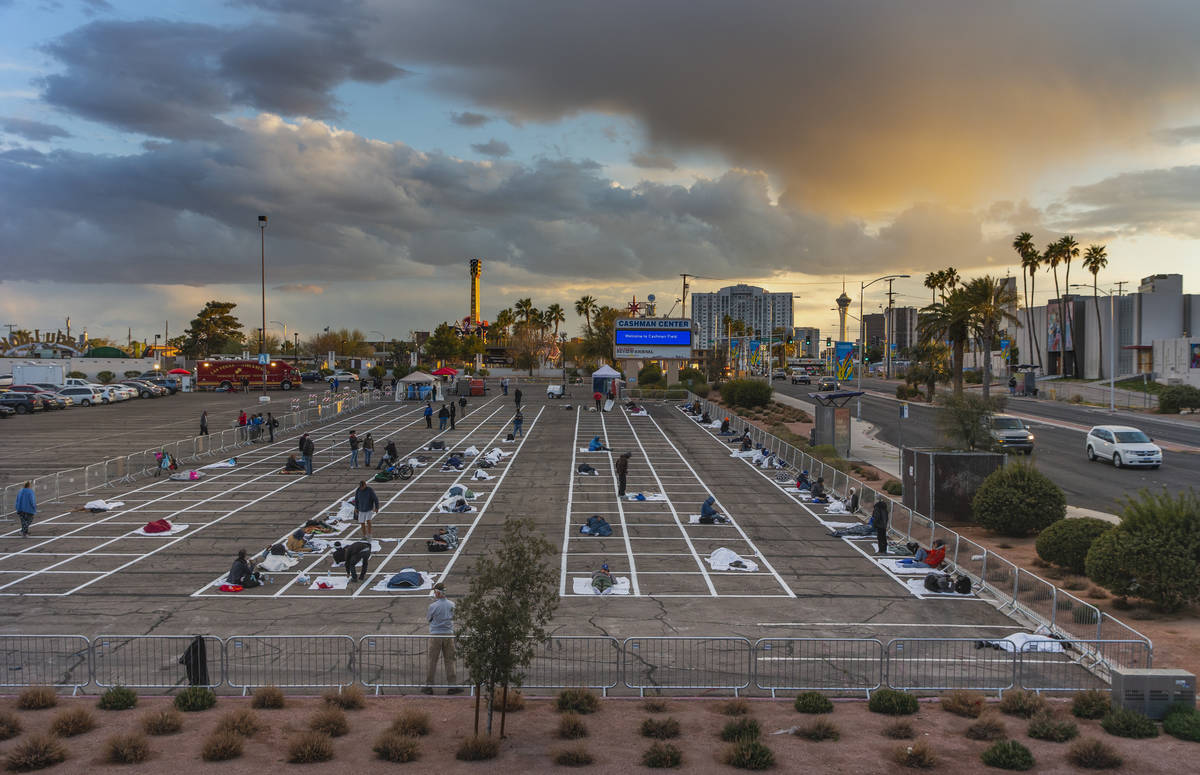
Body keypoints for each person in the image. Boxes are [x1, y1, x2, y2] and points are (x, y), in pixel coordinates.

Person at [424, 583, 460, 694]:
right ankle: (452, 686)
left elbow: (428, 619)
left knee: (432, 660)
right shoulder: (452, 605)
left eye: (435, 592)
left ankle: (429, 685)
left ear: (438, 593)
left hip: (435, 635)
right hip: (448, 634)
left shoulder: (433, 606)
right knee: (450, 660)